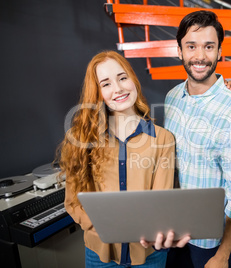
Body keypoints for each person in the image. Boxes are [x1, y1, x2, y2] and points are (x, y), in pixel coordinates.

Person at [59, 50, 189, 268]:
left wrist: (153, 229)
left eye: (122, 78)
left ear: (133, 80)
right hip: (99, 252)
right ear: (98, 92)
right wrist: (103, 226)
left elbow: (161, 200)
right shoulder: (81, 139)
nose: (118, 88)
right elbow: (73, 202)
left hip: (149, 254)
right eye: (106, 83)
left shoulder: (163, 138)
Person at [163, 10, 231, 268]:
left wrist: (222, 255)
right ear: (179, 51)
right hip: (173, 231)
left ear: (219, 52)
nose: (200, 56)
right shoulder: (172, 97)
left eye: (209, 47)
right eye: (191, 46)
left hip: (210, 242)